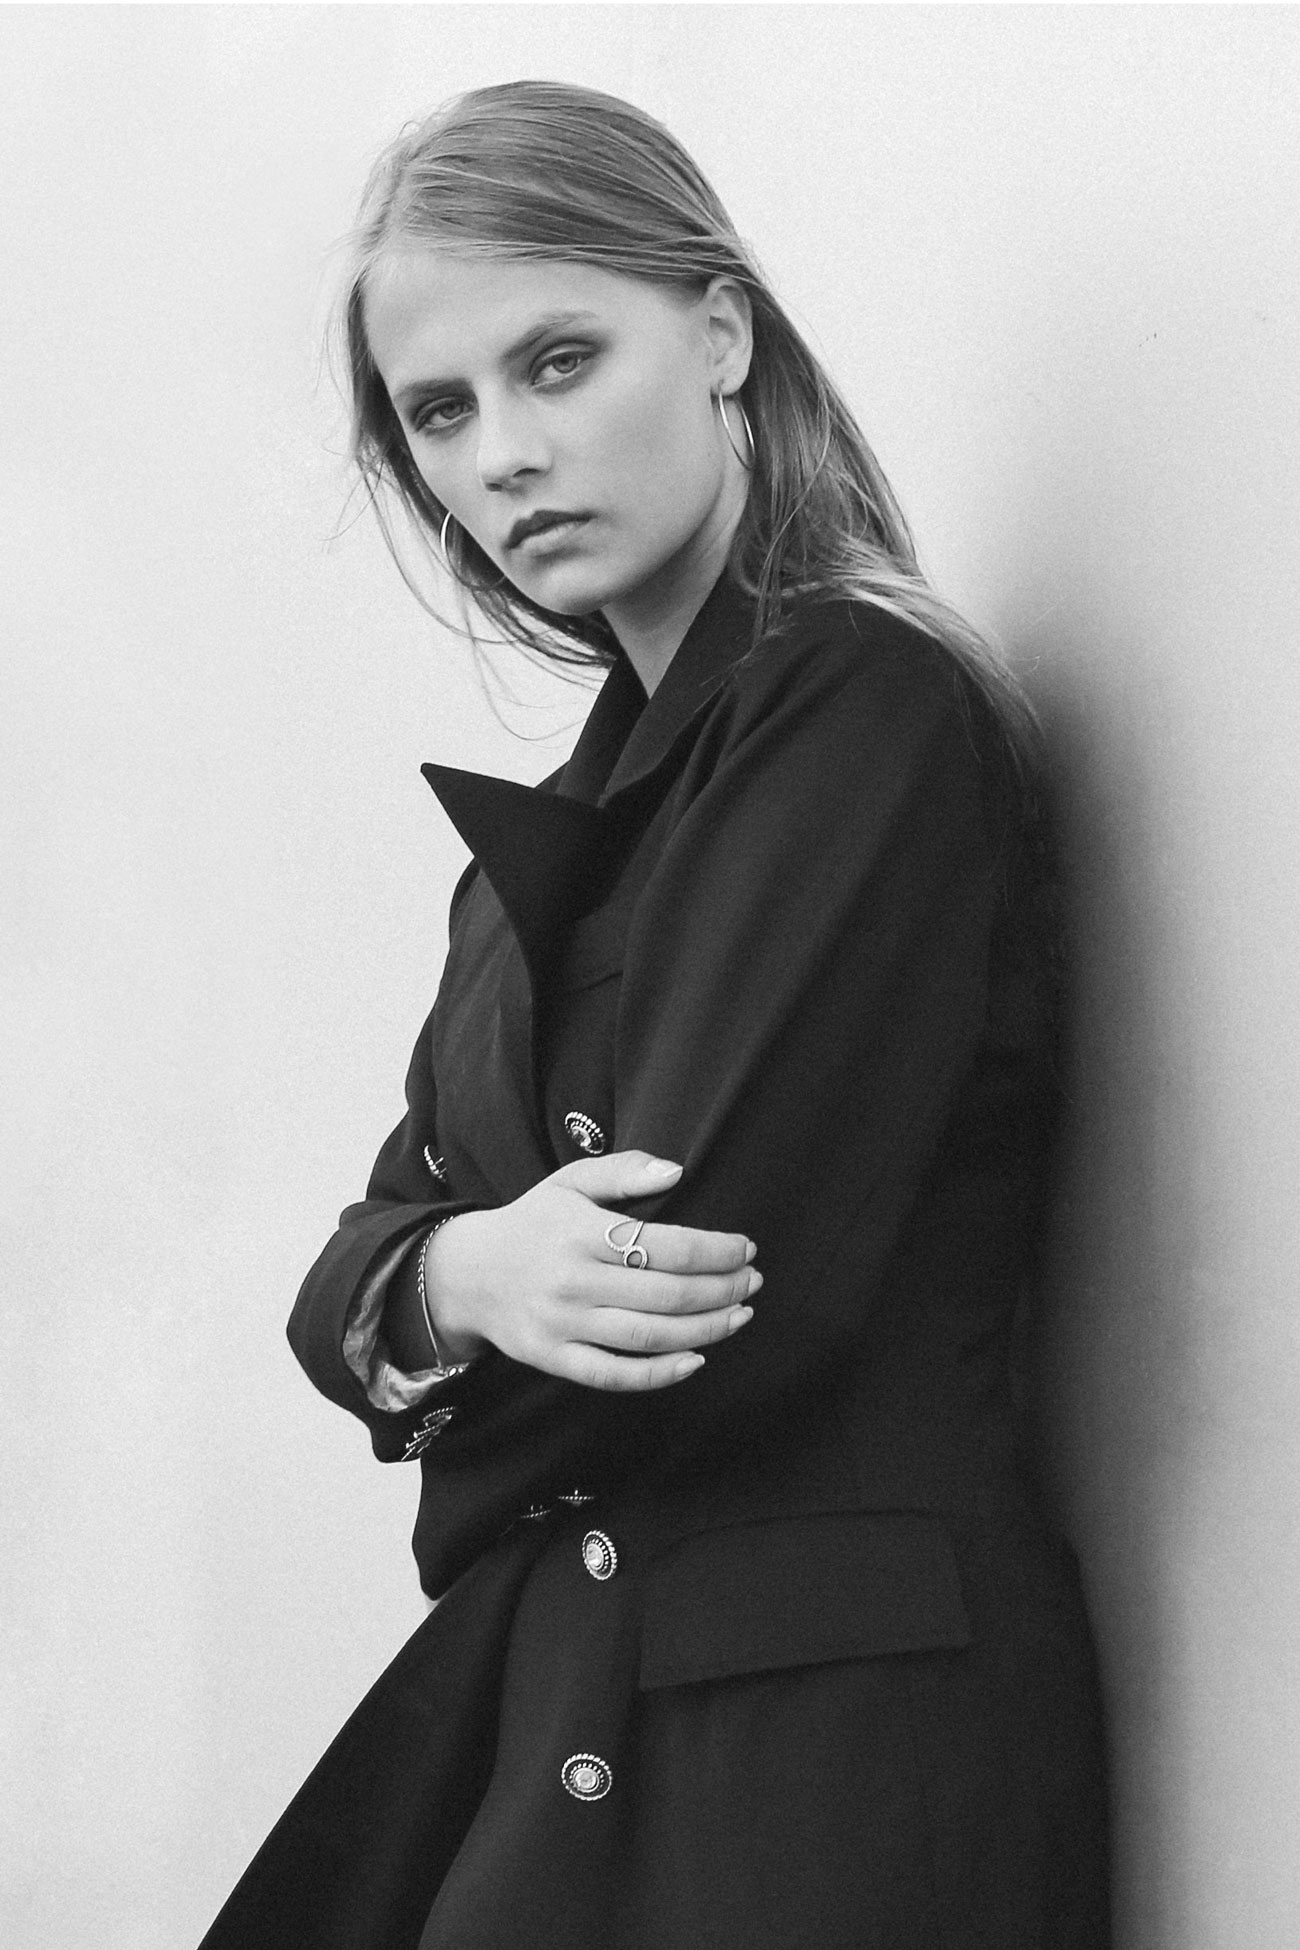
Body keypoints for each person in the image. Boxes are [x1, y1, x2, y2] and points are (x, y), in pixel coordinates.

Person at [200, 78, 1109, 1950]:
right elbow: (354, 1273)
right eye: (441, 411)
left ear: (721, 332)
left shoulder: (859, 702)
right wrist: (464, 1273)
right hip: (606, 1716)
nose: (505, 454)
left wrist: (441, 1313)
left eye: (558, 360)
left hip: (823, 1759)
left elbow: (697, 1297)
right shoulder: (545, 848)